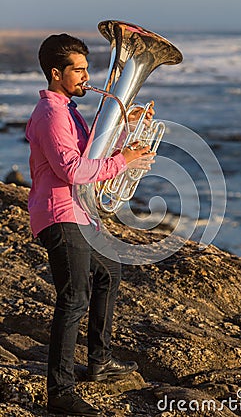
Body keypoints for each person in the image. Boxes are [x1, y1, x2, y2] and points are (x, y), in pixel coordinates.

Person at [25, 33, 155, 416]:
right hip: (59, 214)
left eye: (86, 68)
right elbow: (74, 169)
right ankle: (60, 391)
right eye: (78, 69)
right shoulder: (51, 114)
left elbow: (90, 154)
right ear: (55, 72)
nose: (86, 75)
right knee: (73, 299)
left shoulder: (68, 110)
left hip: (77, 213)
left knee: (109, 273)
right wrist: (123, 162)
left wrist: (124, 132)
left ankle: (99, 362)